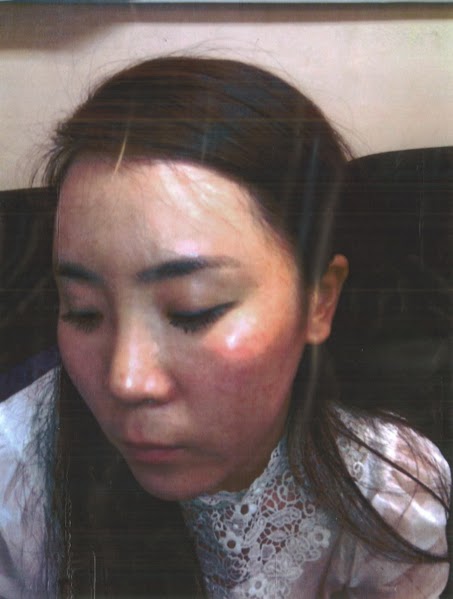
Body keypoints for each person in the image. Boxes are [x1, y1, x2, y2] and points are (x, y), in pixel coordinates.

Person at [0, 56, 450, 598]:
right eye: (83, 311)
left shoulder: (386, 494)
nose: (126, 381)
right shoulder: (15, 480)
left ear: (319, 300)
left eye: (194, 311)